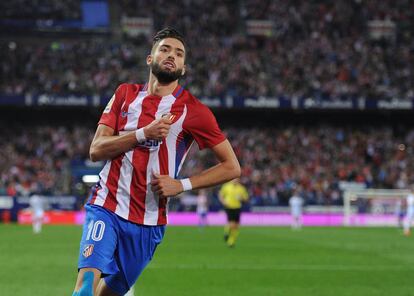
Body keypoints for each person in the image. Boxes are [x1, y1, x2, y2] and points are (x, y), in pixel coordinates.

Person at [72, 27, 240, 296]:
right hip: (107, 205)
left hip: (149, 221)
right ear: (150, 59)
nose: (172, 55)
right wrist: (143, 133)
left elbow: (232, 166)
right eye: (165, 49)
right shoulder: (125, 94)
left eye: (179, 53)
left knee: (110, 293)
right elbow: (97, 149)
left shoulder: (194, 111)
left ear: (183, 68)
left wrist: (182, 184)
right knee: (85, 289)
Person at [219, 178, 249, 247]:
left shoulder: (241, 188)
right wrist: (223, 202)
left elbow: (246, 198)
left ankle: (231, 240)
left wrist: (241, 199)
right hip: (229, 207)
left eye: (237, 179)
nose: (235, 180)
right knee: (232, 224)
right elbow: (221, 195)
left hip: (237, 207)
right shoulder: (226, 186)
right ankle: (229, 238)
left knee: (237, 226)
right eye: (234, 179)